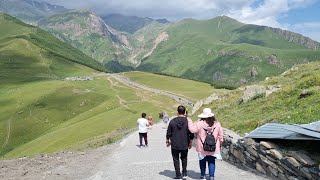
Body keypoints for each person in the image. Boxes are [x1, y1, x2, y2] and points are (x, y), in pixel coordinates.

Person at [187, 108, 223, 180]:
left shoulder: (200, 123)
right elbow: (221, 135)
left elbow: (192, 130)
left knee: (202, 160)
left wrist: (189, 121)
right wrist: (220, 143)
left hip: (202, 146)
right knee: (211, 161)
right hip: (213, 147)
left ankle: (203, 176)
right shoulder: (217, 124)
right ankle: (211, 176)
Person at [166, 105, 194, 180]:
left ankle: (178, 175)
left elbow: (169, 132)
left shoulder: (172, 121)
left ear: (177, 112)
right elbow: (191, 132)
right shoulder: (187, 121)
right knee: (184, 158)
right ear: (184, 112)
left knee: (176, 159)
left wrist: (167, 140)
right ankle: (184, 173)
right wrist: (190, 142)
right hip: (185, 143)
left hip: (175, 143)